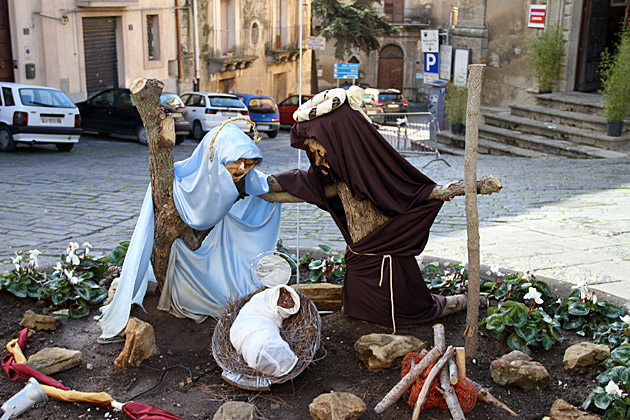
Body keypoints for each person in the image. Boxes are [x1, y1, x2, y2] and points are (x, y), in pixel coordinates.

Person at [268, 87, 466, 332]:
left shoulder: (371, 168)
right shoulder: (334, 174)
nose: (318, 160)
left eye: (321, 150)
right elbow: (309, 181)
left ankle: (406, 312)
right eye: (312, 152)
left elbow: (406, 190)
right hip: (362, 265)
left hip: (383, 264)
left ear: (342, 142)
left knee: (398, 302)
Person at [98, 123, 281, 340]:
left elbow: (261, 185)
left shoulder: (244, 177)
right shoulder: (182, 180)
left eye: (249, 163)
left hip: (215, 253)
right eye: (236, 161)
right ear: (216, 156)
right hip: (177, 254)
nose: (242, 169)